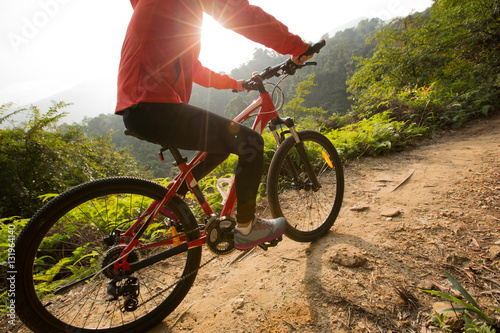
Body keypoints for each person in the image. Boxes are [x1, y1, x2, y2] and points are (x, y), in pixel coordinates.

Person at [115, 0, 313, 250]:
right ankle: (247, 226)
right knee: (250, 141)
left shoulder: (160, 11)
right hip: (156, 105)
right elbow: (239, 12)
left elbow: (193, 69)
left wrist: (236, 83)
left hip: (139, 108)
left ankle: (174, 199)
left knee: (219, 146)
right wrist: (298, 47)